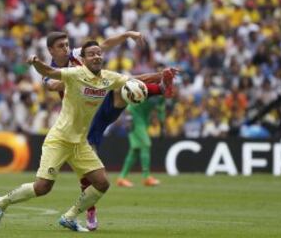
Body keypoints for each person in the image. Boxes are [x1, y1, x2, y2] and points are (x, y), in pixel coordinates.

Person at [0, 41, 165, 232]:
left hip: (80, 143)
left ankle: (69, 217)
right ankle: (0, 202)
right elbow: (50, 72)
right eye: (91, 54)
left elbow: (134, 79)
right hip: (60, 139)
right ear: (83, 59)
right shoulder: (75, 74)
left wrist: (159, 76)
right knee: (42, 187)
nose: (97, 56)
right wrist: (36, 62)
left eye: (99, 53)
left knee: (101, 183)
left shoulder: (108, 77)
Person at [40, 31, 178, 230]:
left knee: (123, 88)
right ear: (51, 51)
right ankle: (90, 210)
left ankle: (160, 89)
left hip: (100, 102)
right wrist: (79, 78)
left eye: (66, 44)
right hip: (82, 118)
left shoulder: (78, 54)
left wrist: (128, 34)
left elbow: (104, 46)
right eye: (61, 46)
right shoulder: (50, 70)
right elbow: (53, 85)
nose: (66, 49)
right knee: (89, 172)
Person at [116, 97, 165, 187]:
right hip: (134, 118)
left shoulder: (162, 95)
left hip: (144, 120)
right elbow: (131, 102)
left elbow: (161, 110)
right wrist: (128, 119)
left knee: (135, 150)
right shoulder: (150, 88)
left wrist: (162, 127)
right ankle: (146, 177)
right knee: (146, 144)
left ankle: (121, 178)